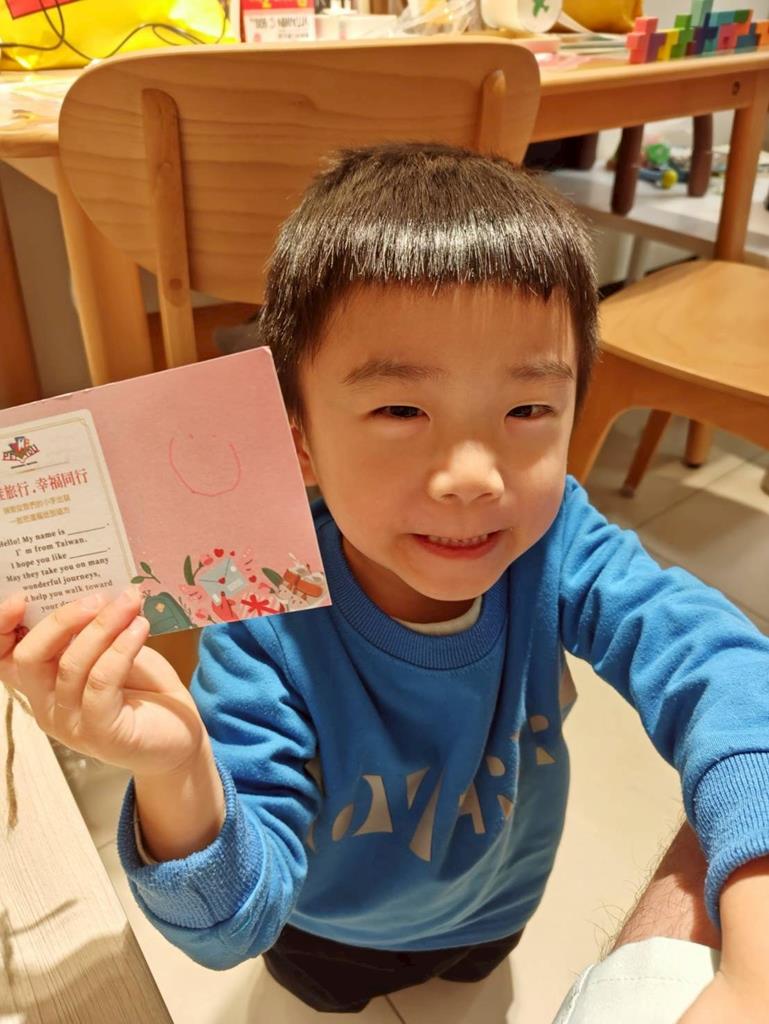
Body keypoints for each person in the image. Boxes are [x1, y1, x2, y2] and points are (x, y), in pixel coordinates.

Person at [2, 142, 769, 1021]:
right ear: (297, 441)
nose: (472, 475)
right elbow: (228, 925)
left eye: (527, 409)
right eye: (401, 409)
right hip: (326, 932)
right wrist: (177, 767)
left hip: (499, 903)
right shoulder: (266, 628)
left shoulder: (560, 542)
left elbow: (724, 670)